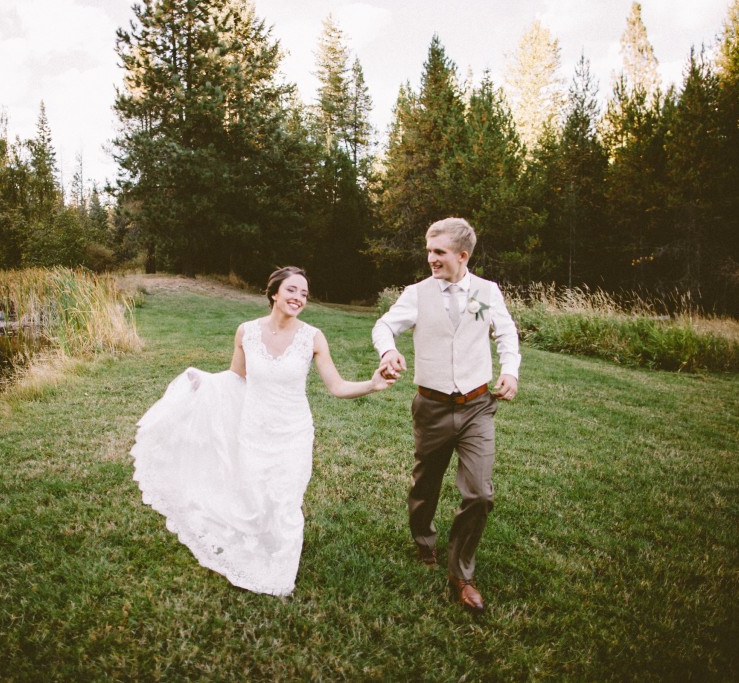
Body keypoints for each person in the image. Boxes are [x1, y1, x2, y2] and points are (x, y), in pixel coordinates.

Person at [131, 266, 394, 596]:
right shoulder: (246, 332)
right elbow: (236, 377)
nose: (299, 298)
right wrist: (205, 382)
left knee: (285, 502)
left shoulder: (312, 337)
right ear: (274, 293)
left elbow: (337, 386)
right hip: (254, 429)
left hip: (294, 432)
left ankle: (278, 578)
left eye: (304, 294)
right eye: (292, 290)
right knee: (254, 501)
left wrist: (372, 383)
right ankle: (252, 551)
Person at [372, 217, 520, 613]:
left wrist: (510, 371)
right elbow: (385, 326)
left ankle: (461, 573)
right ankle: (424, 540)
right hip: (432, 406)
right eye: (428, 250)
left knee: (480, 494)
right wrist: (388, 351)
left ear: (461, 255)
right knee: (426, 482)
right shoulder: (417, 294)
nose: (430, 258)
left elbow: (505, 333)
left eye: (438, 252)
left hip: (477, 406)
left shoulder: (486, 292)